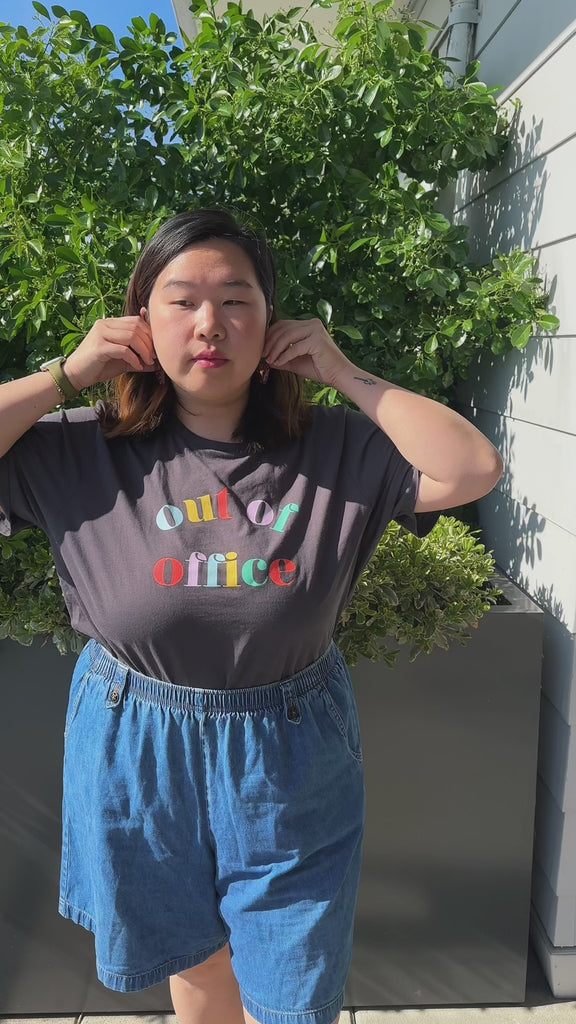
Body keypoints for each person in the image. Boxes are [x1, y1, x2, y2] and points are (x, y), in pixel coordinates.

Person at [0, 208, 503, 1024]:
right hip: (136, 747)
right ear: (140, 319)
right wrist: (66, 374)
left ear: (273, 324)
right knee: (195, 964)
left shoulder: (337, 449)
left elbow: (472, 466)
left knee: (295, 987)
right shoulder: (80, 450)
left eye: (237, 300)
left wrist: (344, 372)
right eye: (182, 300)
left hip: (289, 750)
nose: (210, 323)